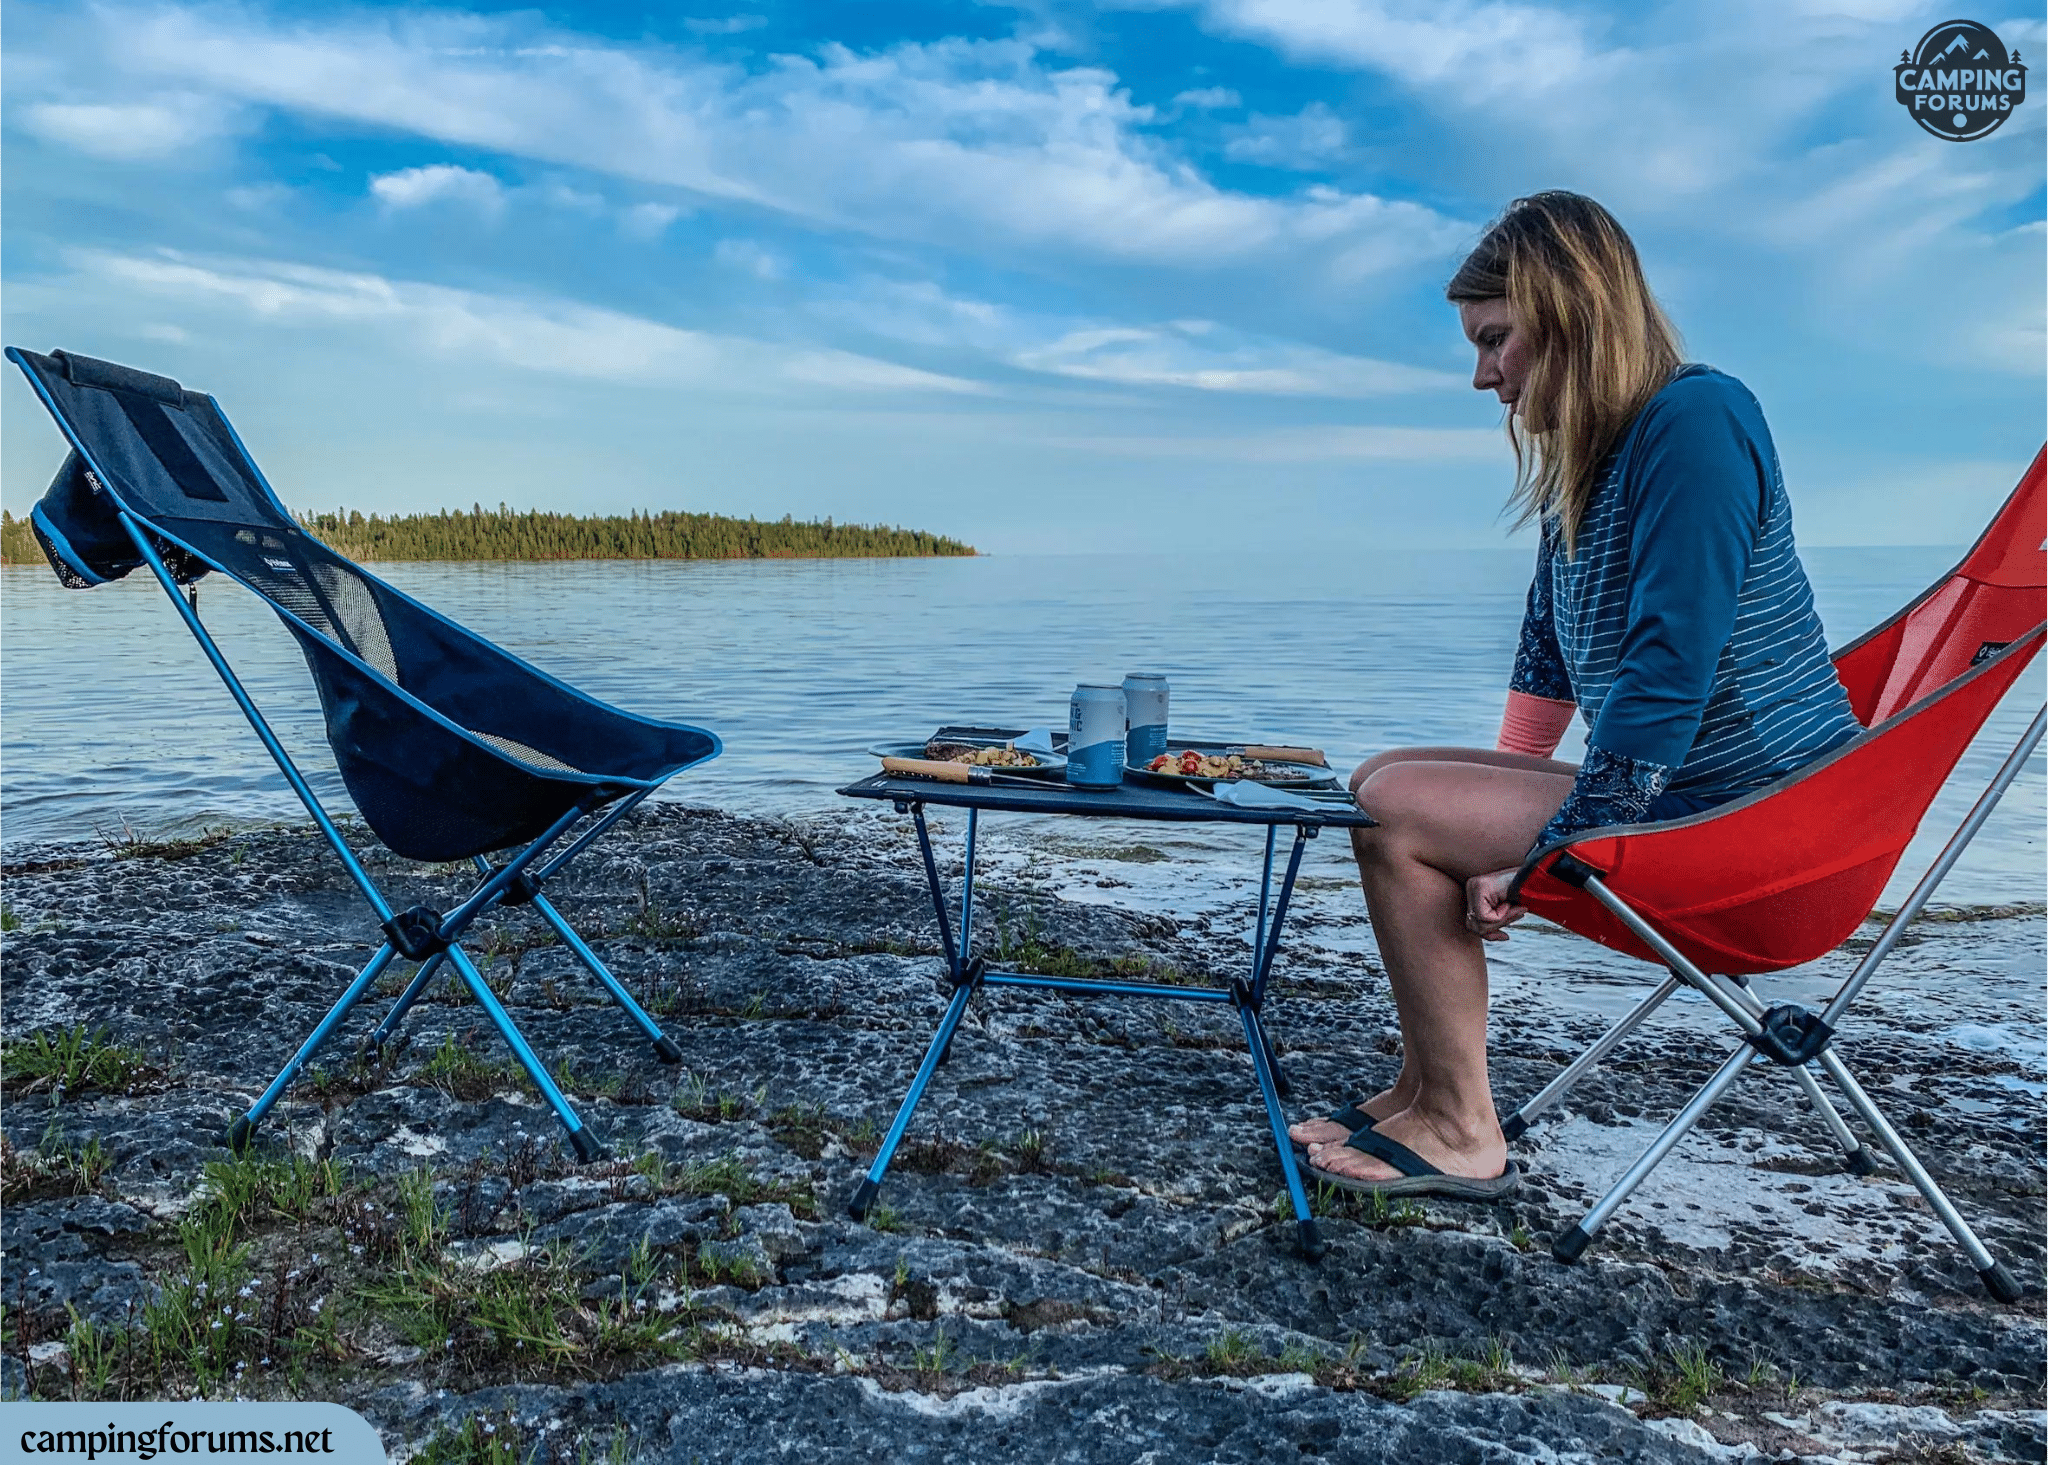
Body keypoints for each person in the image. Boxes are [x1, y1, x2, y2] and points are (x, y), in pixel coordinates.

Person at [1289, 191, 1862, 1198]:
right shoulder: (1588, 460)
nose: (1480, 375)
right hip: (1687, 797)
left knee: (1389, 813)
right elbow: (1545, 655)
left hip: (1763, 829)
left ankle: (1464, 1130)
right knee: (1378, 780)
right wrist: (1496, 831)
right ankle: (1425, 1087)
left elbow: (1667, 662)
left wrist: (1564, 847)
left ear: (1572, 313)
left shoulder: (1695, 420)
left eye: (1495, 340)